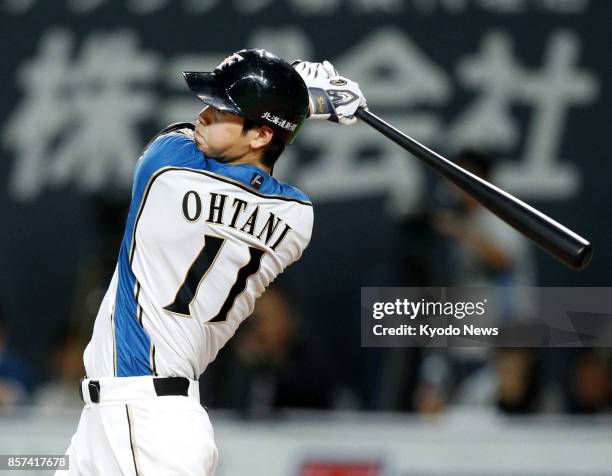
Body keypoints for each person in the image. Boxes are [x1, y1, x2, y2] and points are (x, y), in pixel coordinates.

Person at [57, 49, 366, 475]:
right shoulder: (297, 218)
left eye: (222, 110)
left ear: (259, 135)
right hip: (146, 420)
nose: (204, 114)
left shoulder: (167, 170)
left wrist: (304, 98)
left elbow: (180, 139)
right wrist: (296, 106)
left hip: (140, 418)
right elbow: (254, 163)